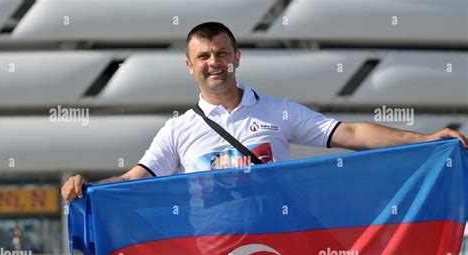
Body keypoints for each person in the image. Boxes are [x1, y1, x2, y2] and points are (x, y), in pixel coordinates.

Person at [61, 22, 468, 202]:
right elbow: (135, 180)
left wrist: (426, 140)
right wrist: (88, 186)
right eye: (203, 56)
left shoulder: (278, 112)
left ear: (237, 57)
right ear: (190, 65)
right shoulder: (177, 130)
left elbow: (352, 135)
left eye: (222, 52)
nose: (213, 62)